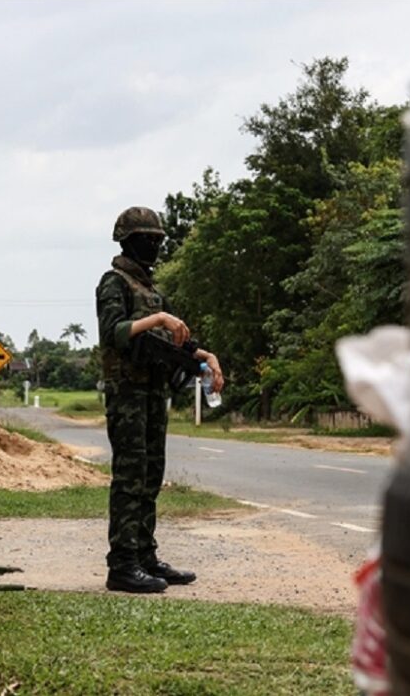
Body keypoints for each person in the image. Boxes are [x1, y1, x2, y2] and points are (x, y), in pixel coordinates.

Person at [96, 206, 225, 593]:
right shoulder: (113, 283)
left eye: (158, 240)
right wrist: (158, 320)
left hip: (154, 393)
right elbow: (114, 332)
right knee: (129, 477)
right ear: (128, 241)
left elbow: (176, 343)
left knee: (151, 476)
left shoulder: (152, 291)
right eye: (146, 239)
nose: (153, 245)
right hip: (127, 395)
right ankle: (122, 564)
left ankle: (144, 556)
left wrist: (206, 358)